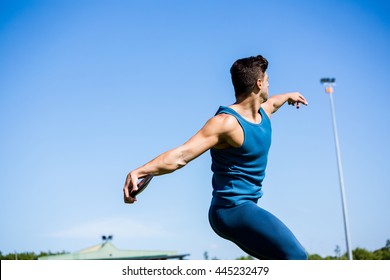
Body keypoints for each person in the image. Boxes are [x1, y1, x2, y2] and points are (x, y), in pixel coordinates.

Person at [123, 55, 308, 260]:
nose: (269, 84)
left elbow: (276, 101)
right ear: (258, 83)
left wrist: (291, 95)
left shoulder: (264, 111)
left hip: (246, 208)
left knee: (280, 259)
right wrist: (140, 171)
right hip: (231, 209)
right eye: (267, 80)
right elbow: (181, 155)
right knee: (296, 256)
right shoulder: (226, 123)